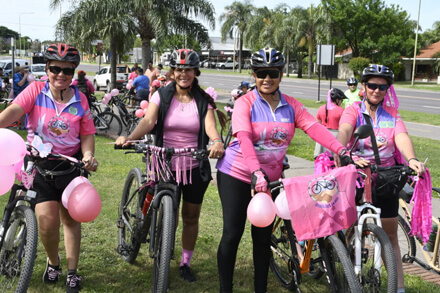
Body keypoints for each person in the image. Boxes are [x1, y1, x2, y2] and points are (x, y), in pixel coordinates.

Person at [215, 48, 348, 293]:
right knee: (232, 234)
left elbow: (314, 128)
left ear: (281, 74)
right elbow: (243, 138)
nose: (267, 78)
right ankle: (226, 289)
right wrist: (255, 171)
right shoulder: (246, 103)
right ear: (254, 75)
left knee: (263, 238)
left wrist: (341, 150)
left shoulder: (291, 106)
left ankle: (260, 290)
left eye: (272, 73)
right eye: (261, 73)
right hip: (237, 172)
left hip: (271, 179)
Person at [116, 48, 227, 283]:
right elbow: (148, 120)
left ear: (195, 72)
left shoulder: (202, 101)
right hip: (165, 162)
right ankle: (164, 249)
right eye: (179, 69)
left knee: (190, 216)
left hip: (195, 164)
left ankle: (185, 262)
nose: (183, 73)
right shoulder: (161, 96)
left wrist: (216, 141)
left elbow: (210, 126)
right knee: (170, 214)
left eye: (188, 70)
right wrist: (130, 138)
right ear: (173, 71)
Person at [0, 43, 97, 293]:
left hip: (70, 166)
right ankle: (53, 263)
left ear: (74, 72)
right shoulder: (35, 90)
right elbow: (13, 111)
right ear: (47, 68)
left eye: (67, 70)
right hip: (39, 166)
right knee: (46, 221)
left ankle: (73, 272)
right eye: (55, 69)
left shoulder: (81, 99)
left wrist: (88, 155)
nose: (61, 75)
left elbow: (87, 133)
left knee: (71, 219)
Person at [336, 64, 426, 293]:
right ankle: (347, 264)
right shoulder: (353, 110)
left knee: (391, 235)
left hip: (385, 178)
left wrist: (412, 159)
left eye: (382, 87)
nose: (377, 90)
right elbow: (345, 131)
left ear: (387, 89)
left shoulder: (392, 114)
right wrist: (343, 152)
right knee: (349, 227)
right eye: (372, 85)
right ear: (363, 87)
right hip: (356, 174)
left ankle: (399, 288)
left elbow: (402, 137)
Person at [314, 88, 347, 158]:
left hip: (322, 135)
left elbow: (318, 123)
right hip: (335, 136)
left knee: (321, 160)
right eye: (341, 100)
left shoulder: (321, 108)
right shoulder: (341, 111)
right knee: (333, 161)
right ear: (337, 100)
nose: (341, 102)